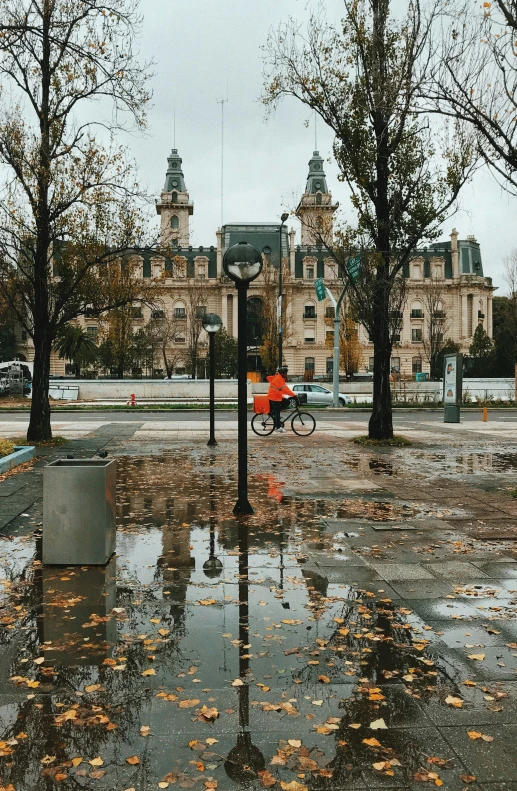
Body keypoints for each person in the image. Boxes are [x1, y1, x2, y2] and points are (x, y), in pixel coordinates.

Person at [267, 366, 295, 433]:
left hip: (277, 396)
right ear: (282, 373)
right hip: (274, 397)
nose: (286, 375)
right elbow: (285, 389)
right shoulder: (278, 379)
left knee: (287, 402)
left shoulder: (281, 378)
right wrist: (294, 395)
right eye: (285, 373)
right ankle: (278, 427)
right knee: (277, 412)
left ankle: (274, 413)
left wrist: (292, 394)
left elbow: (285, 388)